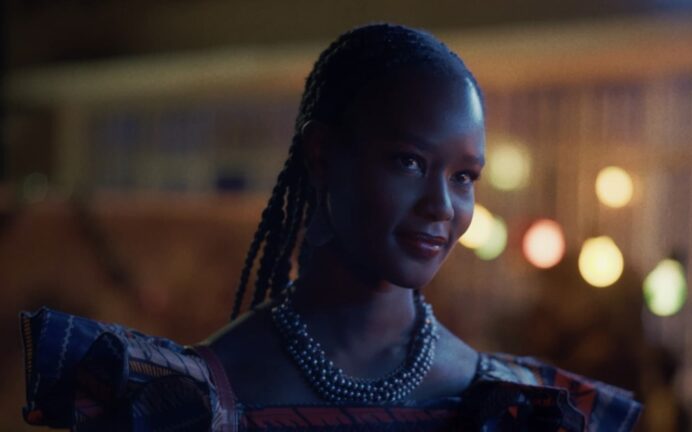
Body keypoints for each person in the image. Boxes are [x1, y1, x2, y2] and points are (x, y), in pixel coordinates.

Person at [19, 23, 642, 431]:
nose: (441, 205)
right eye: (409, 162)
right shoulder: (187, 401)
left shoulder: (520, 407)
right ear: (322, 157)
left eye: (463, 176)